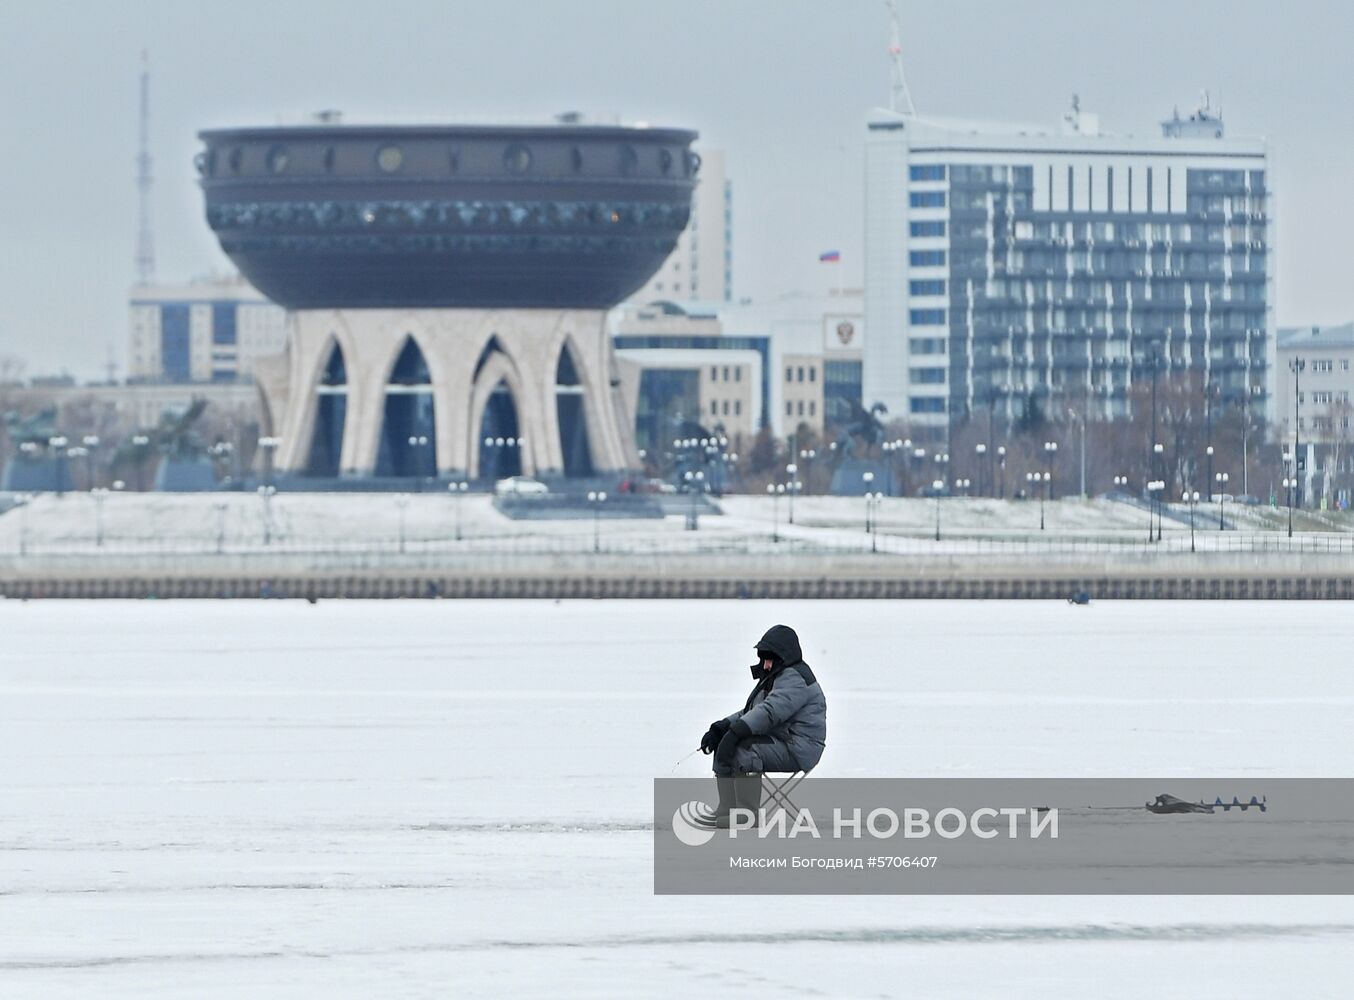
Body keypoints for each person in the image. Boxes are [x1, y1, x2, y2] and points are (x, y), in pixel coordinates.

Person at [697, 624, 826, 825]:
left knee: (744, 747)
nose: (765, 665)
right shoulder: (777, 675)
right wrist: (721, 728)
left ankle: (748, 814)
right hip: (782, 739)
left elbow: (770, 711)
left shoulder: (795, 678)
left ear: (782, 657)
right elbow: (752, 711)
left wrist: (737, 731)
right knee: (726, 739)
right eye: (763, 659)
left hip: (800, 747)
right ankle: (727, 808)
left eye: (768, 659)